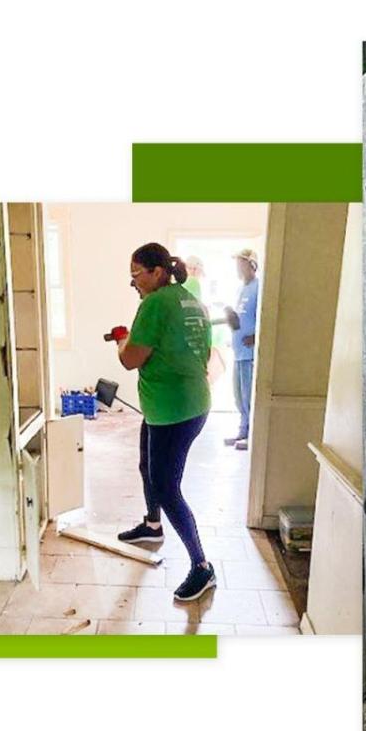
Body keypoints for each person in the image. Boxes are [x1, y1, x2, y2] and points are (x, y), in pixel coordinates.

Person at [113, 242, 216, 602]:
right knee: (147, 465)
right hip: (184, 404)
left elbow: (130, 360)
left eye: (136, 276)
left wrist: (122, 339)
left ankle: (202, 567)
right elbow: (204, 352)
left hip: (172, 412)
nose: (134, 284)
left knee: (167, 486)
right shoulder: (190, 300)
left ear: (157, 272)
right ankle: (152, 524)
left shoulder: (154, 303)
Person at [223, 248, 259, 450]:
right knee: (238, 395)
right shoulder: (240, 290)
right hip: (238, 351)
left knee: (249, 395)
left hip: (250, 353)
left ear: (251, 265)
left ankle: (252, 434)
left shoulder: (259, 286)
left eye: (241, 263)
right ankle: (242, 430)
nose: (238, 267)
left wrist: (257, 335)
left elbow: (264, 316)